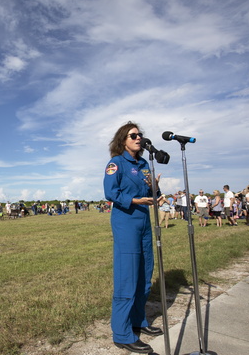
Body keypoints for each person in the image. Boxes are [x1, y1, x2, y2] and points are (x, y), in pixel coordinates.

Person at [103, 121, 163, 354]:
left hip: (144, 222)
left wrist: (155, 188)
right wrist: (137, 200)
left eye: (139, 135)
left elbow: (150, 193)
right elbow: (111, 193)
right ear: (123, 140)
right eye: (133, 135)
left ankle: (139, 321)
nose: (138, 138)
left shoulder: (145, 165)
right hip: (126, 221)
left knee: (144, 273)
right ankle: (122, 332)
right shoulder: (116, 163)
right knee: (127, 275)